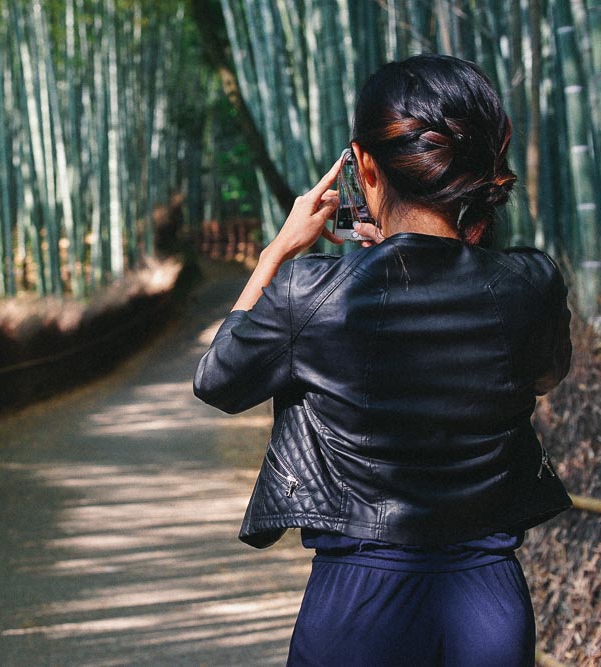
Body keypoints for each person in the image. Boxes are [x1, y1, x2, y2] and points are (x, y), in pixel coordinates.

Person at [193, 54, 573, 667]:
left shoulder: (313, 294)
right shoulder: (531, 283)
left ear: (364, 165)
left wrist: (277, 254)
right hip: (488, 601)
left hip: (358, 603)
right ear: (477, 167)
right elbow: (543, 375)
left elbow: (217, 379)